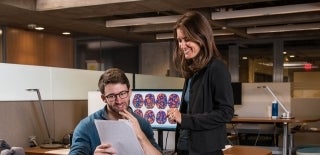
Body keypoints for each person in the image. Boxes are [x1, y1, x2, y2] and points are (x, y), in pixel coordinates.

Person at [167, 11, 235, 155]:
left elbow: (226, 113)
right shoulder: (193, 71)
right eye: (179, 40)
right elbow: (191, 112)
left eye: (187, 39)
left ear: (201, 37)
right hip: (185, 146)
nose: (182, 45)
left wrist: (184, 119)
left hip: (206, 150)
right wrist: (178, 117)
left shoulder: (216, 68)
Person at [69, 68, 161, 155]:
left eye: (122, 93)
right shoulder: (86, 127)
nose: (119, 101)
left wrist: (140, 135)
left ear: (129, 93)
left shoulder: (141, 123)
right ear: (104, 98)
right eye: (112, 96)